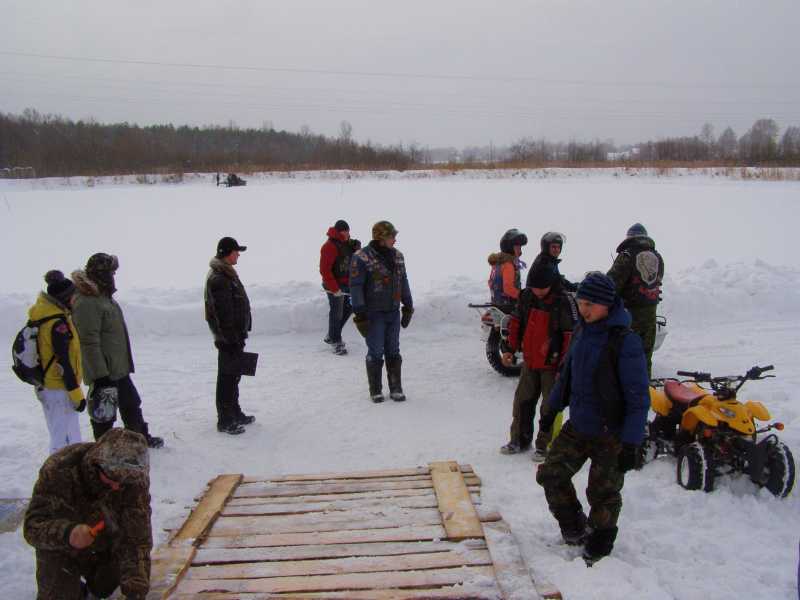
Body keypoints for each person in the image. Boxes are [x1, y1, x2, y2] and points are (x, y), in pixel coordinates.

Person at [535, 272, 650, 564]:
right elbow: (566, 376)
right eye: (581, 302)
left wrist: (631, 443)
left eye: (590, 304)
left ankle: (600, 542)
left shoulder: (625, 342)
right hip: (579, 425)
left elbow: (638, 398)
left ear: (607, 304)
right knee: (551, 474)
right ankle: (574, 526)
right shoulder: (582, 332)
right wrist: (550, 410)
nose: (583, 309)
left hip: (611, 433)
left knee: (603, 493)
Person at [23, 428, 152, 600]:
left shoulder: (132, 479)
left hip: (104, 545)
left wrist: (136, 591)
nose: (117, 486)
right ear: (97, 464)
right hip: (63, 549)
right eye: (112, 478)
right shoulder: (59, 469)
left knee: (108, 586)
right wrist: (68, 533)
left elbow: (137, 539)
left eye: (122, 482)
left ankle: (94, 585)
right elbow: (32, 527)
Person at [72, 254, 164, 449]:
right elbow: (88, 342)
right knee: (104, 414)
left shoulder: (103, 297)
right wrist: (100, 376)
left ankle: (139, 438)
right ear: (102, 273)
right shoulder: (87, 302)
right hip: (104, 372)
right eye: (111, 272)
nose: (114, 276)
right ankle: (103, 449)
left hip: (118, 368)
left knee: (131, 404)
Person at [499, 264, 577, 461]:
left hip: (553, 364)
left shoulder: (562, 301)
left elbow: (569, 336)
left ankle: (545, 445)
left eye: (541, 288)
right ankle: (519, 440)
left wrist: (564, 366)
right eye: (534, 287)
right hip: (530, 360)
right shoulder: (527, 297)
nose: (537, 291)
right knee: (522, 401)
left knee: (550, 407)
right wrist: (509, 349)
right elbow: (516, 323)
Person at [350, 221, 413, 403]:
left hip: (393, 311)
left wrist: (408, 305)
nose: (395, 239)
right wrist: (360, 314)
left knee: (393, 350)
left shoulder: (398, 256)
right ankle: (375, 390)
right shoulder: (361, 257)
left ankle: (396, 388)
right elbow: (356, 287)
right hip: (373, 313)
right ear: (381, 237)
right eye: (392, 236)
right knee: (376, 350)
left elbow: (403, 281)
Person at [28, 270, 86, 454]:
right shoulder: (57, 324)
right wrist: (76, 394)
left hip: (48, 385)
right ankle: (59, 471)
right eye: (73, 296)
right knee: (63, 441)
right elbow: (63, 362)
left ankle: (67, 469)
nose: (75, 299)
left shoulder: (44, 314)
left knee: (64, 436)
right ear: (65, 298)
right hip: (59, 388)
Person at [205, 236, 254, 435]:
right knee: (227, 377)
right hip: (229, 338)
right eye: (236, 251)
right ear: (226, 253)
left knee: (234, 375)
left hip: (234, 336)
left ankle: (234, 412)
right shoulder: (219, 278)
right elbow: (222, 313)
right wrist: (230, 338)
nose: (238, 255)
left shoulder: (226, 273)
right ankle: (225, 420)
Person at [607, 223, 664, 376]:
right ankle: (645, 388)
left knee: (625, 358)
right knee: (645, 358)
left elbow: (611, 284)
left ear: (629, 237)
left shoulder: (627, 255)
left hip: (629, 317)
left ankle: (625, 389)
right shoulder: (657, 257)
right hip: (650, 317)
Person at [320, 219, 361, 355]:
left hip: (346, 283)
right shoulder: (329, 247)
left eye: (348, 231)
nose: (348, 234)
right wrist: (334, 289)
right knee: (337, 312)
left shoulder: (347, 244)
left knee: (350, 307)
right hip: (333, 284)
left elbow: (356, 259)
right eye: (345, 231)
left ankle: (332, 335)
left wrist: (357, 248)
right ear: (338, 232)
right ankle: (336, 341)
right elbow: (325, 270)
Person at [487, 228, 527, 305]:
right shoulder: (508, 265)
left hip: (497, 303)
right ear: (509, 247)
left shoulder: (497, 262)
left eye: (520, 247)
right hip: (509, 306)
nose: (520, 251)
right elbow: (508, 289)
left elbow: (490, 282)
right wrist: (523, 297)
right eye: (517, 247)